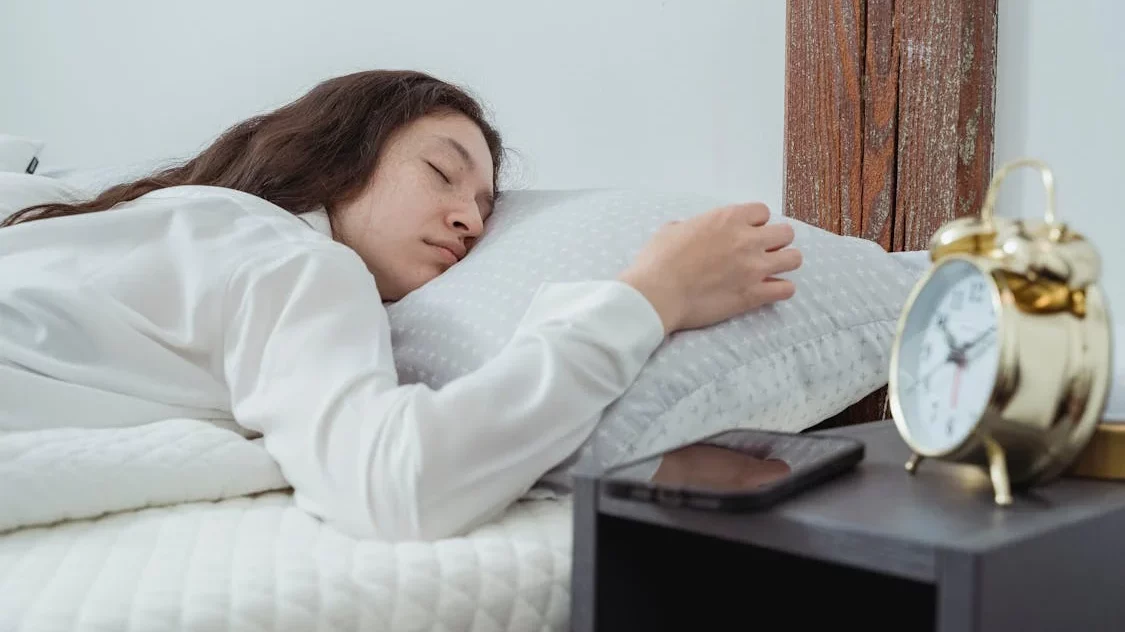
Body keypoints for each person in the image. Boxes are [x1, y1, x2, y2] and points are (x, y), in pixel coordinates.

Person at [0, 70, 802, 541]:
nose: (470, 219)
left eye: (487, 207)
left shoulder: (142, 219)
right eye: (442, 173)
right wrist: (648, 297)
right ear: (338, 154)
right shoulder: (288, 261)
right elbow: (396, 482)